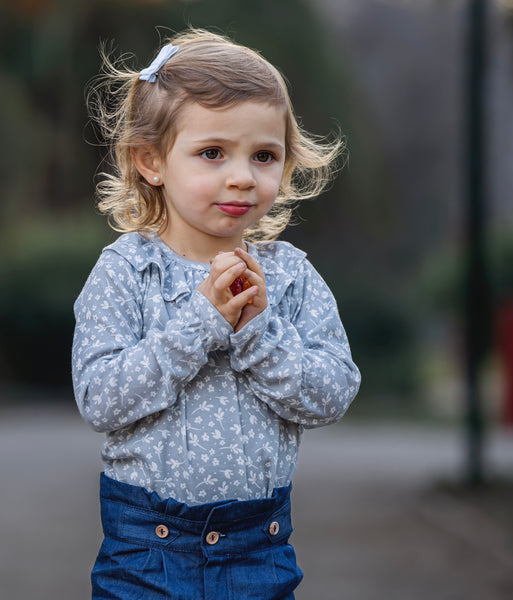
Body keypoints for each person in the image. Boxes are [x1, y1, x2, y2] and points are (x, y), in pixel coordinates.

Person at [72, 28, 360, 600]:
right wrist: (201, 324)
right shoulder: (126, 271)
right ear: (151, 160)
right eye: (212, 153)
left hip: (259, 545)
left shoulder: (289, 275)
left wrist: (258, 331)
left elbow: (333, 392)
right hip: (145, 548)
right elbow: (100, 398)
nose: (242, 177)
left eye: (264, 155)